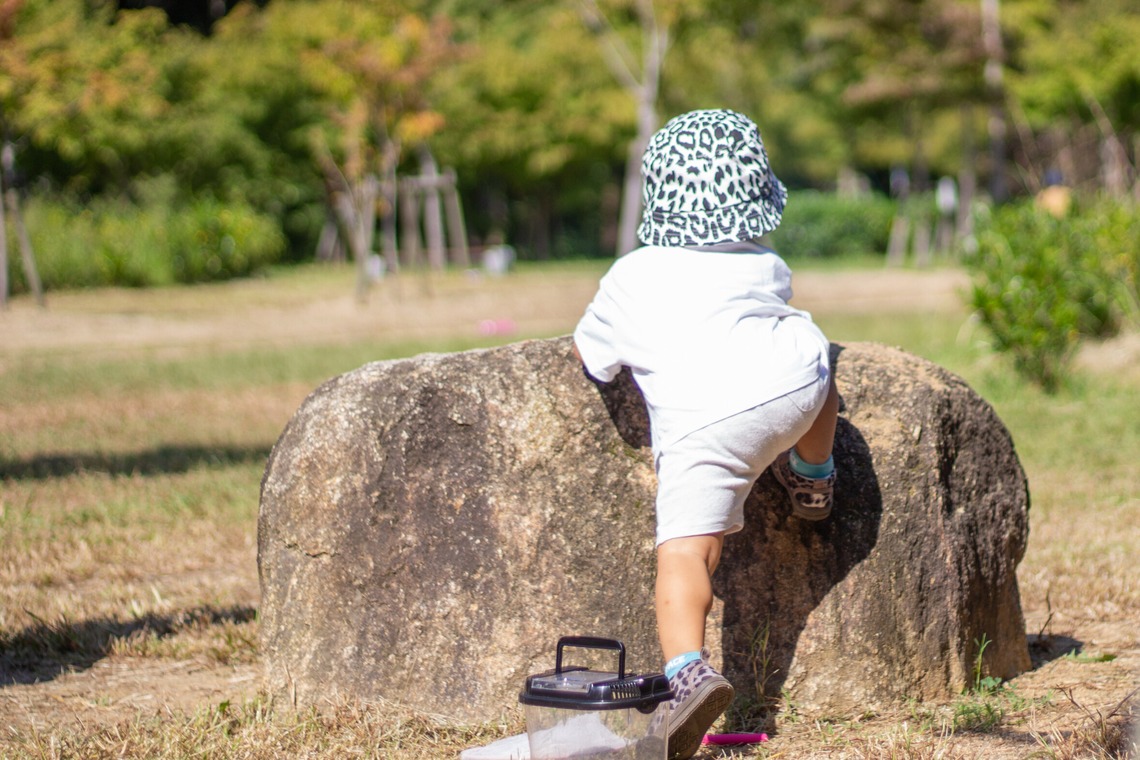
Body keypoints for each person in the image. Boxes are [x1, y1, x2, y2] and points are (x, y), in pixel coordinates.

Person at [572, 109, 840, 760]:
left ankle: (687, 672)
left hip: (706, 426)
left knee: (687, 551)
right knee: (818, 366)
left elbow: (592, 357)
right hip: (792, 388)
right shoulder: (764, 263)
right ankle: (813, 475)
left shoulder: (630, 278)